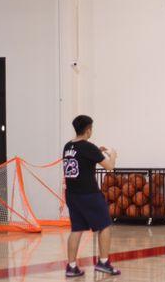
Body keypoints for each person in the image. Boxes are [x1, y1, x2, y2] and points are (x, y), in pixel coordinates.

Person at [63, 115, 120, 277]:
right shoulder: (88, 147)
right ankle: (103, 263)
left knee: (77, 229)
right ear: (88, 129)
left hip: (72, 194)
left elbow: (82, 159)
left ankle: (71, 266)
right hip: (88, 194)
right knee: (105, 225)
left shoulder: (68, 146)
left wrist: (97, 152)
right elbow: (109, 168)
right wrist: (113, 154)